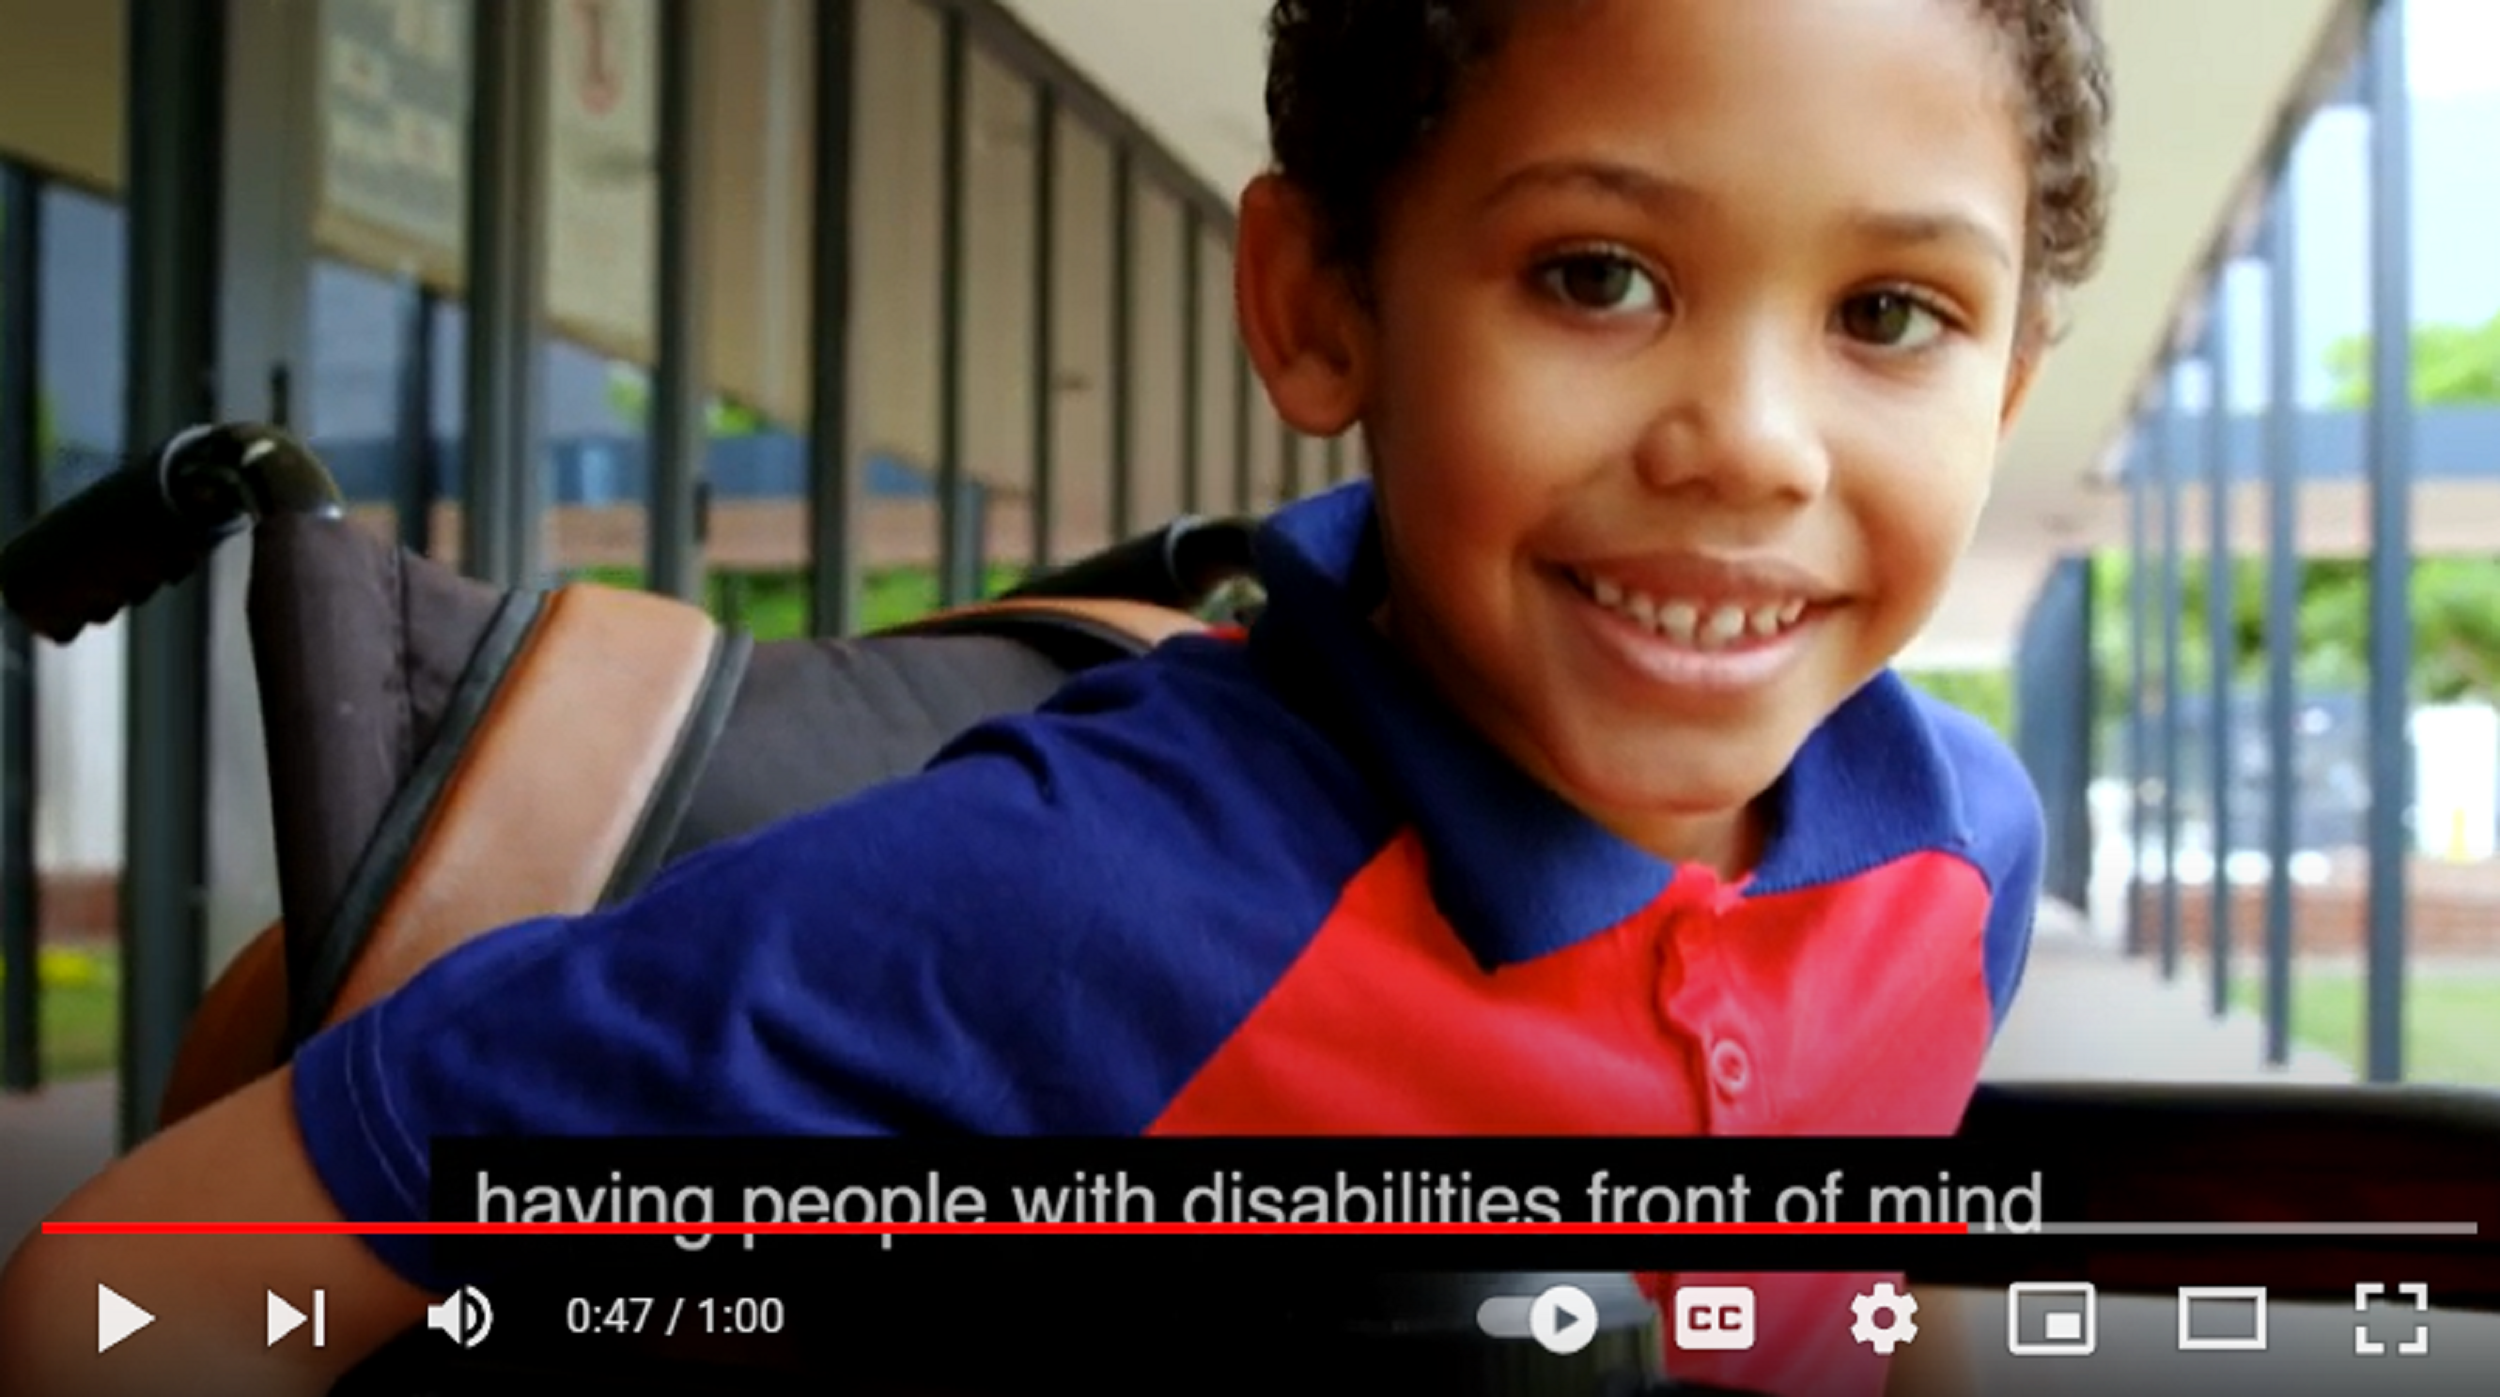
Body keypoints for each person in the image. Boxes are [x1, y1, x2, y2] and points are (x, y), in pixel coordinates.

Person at [0, 0, 2112, 1393]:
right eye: (1594, 273)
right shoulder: (1059, 897)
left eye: (1889, 312)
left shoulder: (1958, 843)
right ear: (1313, 305)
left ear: (2006, 383)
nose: (1746, 439)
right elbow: (148, 1276)